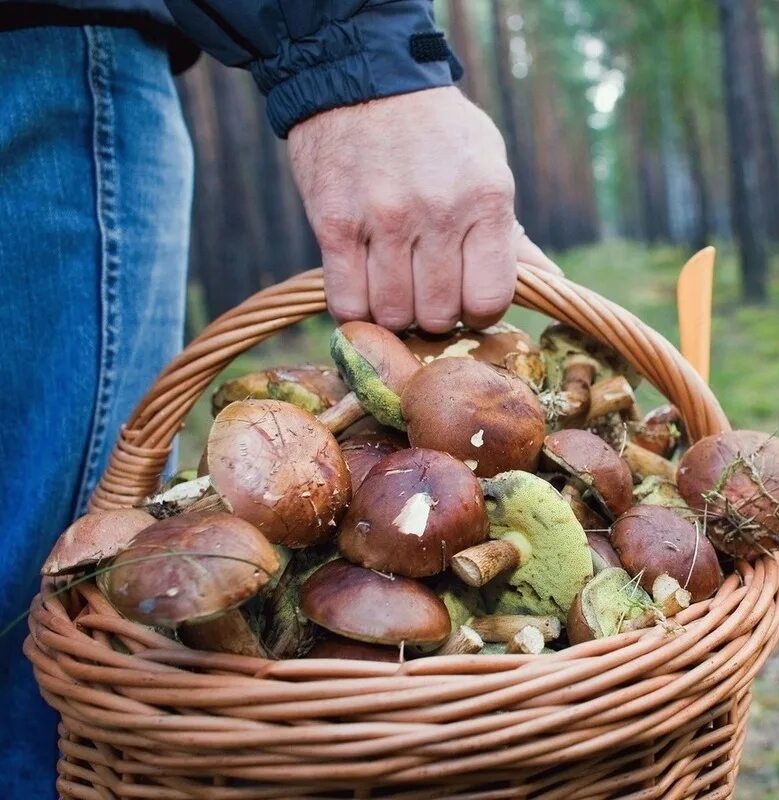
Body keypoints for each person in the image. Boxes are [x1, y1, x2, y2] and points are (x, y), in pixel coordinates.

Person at [0, 1, 559, 795]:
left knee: (31, 636)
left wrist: (355, 59)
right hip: (46, 62)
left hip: (39, 54)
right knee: (57, 633)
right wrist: (359, 59)